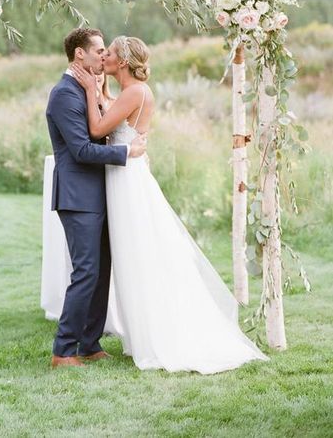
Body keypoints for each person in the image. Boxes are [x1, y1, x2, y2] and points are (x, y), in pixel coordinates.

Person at [70, 35, 268, 374]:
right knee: (133, 252)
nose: (105, 57)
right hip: (125, 175)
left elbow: (97, 127)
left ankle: (158, 334)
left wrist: (91, 91)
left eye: (111, 53)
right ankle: (140, 330)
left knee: (138, 253)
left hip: (127, 180)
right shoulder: (132, 92)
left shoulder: (135, 92)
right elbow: (111, 116)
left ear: (124, 61)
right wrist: (101, 93)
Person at [45, 28, 147, 368]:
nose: (103, 57)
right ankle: (63, 351)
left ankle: (89, 343)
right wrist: (126, 152)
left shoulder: (86, 90)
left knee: (101, 271)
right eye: (98, 51)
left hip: (101, 194)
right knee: (86, 271)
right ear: (80, 55)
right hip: (78, 197)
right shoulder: (64, 94)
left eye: (107, 52)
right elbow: (82, 149)